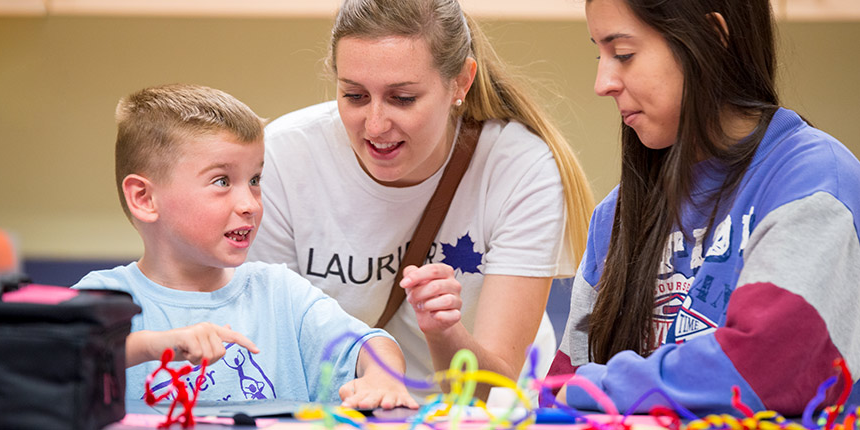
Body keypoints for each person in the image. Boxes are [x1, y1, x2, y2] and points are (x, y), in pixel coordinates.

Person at [247, 0, 595, 400]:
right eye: (355, 96)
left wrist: (445, 330)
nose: (375, 125)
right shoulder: (284, 156)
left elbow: (489, 389)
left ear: (461, 83)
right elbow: (274, 350)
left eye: (403, 98)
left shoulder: (519, 166)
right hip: (342, 410)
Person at [549, 0, 860, 416]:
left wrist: (601, 388)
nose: (602, 82)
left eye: (623, 54)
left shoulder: (814, 181)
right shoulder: (616, 214)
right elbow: (560, 391)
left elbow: (762, 371)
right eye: (599, 54)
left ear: (712, 38)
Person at [73, 84, 418, 410]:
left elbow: (371, 344)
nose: (250, 204)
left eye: (254, 180)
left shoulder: (281, 293)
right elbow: (45, 363)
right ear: (145, 198)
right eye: (222, 181)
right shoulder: (101, 300)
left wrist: (381, 379)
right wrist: (153, 346)